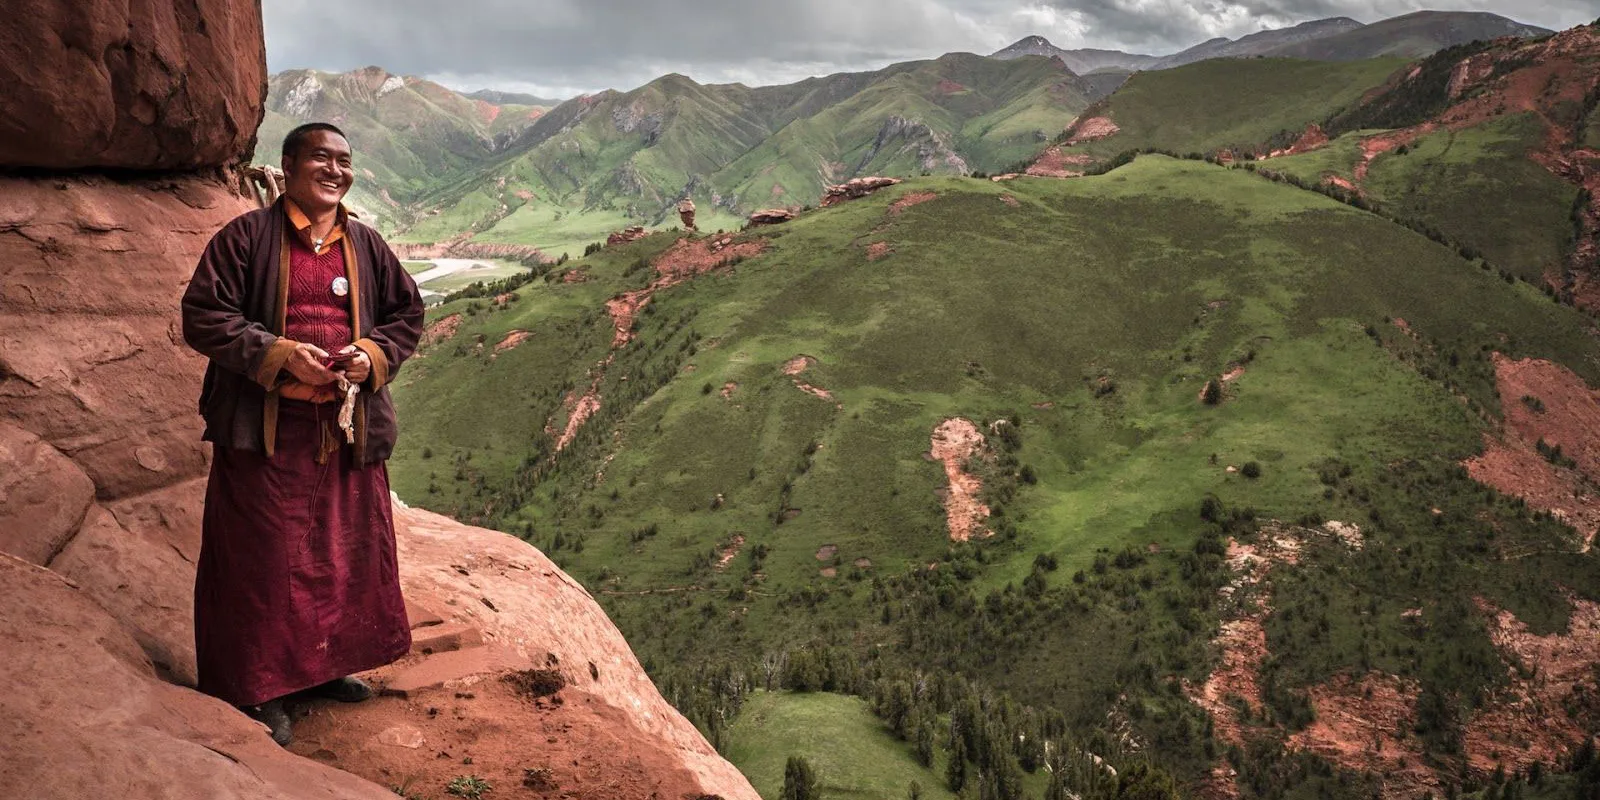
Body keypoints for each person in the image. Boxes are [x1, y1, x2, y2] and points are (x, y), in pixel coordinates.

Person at [181, 122, 425, 746]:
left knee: (340, 552)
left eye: (345, 160)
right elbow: (204, 316)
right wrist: (281, 353)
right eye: (322, 157)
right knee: (262, 560)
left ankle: (322, 668)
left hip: (344, 431)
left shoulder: (366, 245)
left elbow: (407, 313)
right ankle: (254, 688)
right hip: (265, 430)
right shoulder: (248, 238)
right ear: (288, 165)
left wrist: (371, 356)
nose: (336, 170)